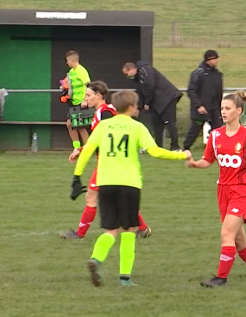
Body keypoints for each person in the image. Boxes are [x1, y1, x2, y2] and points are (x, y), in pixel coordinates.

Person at [71, 90, 190, 287]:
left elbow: (87, 151)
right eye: (136, 105)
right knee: (129, 230)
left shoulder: (103, 126)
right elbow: (155, 152)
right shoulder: (137, 127)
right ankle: (125, 278)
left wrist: (77, 176)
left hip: (105, 182)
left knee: (110, 230)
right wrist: (182, 155)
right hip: (129, 184)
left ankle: (96, 258)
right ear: (131, 107)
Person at [187, 91, 246, 287]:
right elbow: (208, 161)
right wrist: (195, 164)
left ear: (238, 111)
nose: (223, 112)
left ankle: (221, 278)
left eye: (228, 108)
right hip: (223, 191)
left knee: (226, 235)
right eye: (222, 108)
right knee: (238, 240)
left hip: (242, 190)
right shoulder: (215, 136)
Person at [61, 82, 152, 240]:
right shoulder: (100, 113)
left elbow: (107, 139)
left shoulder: (106, 113)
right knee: (121, 198)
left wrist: (83, 150)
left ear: (99, 96)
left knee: (92, 197)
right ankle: (143, 229)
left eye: (88, 95)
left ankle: (79, 234)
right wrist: (82, 150)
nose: (85, 99)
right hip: (109, 162)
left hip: (108, 163)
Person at [122, 61, 182, 150]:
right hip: (157, 101)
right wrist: (139, 107)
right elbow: (141, 92)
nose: (127, 77)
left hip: (167, 98)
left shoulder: (145, 70)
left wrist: (147, 102)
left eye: (127, 74)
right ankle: (158, 147)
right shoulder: (137, 78)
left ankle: (175, 147)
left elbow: (150, 86)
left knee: (170, 123)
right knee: (156, 124)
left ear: (132, 69)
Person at [183, 50, 223, 151]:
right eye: (214, 59)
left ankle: (219, 149)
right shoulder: (198, 74)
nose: (217, 61)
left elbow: (218, 92)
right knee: (195, 129)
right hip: (201, 108)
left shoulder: (217, 74)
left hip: (214, 108)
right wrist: (198, 105)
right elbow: (191, 91)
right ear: (208, 60)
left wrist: (220, 107)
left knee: (218, 129)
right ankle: (186, 147)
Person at [64, 51, 91, 150]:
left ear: (72, 60)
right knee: (70, 124)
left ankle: (88, 148)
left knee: (80, 126)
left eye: (67, 61)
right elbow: (68, 83)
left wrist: (85, 100)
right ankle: (76, 147)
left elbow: (88, 85)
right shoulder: (71, 72)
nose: (67, 63)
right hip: (73, 103)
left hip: (81, 102)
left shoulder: (81, 70)